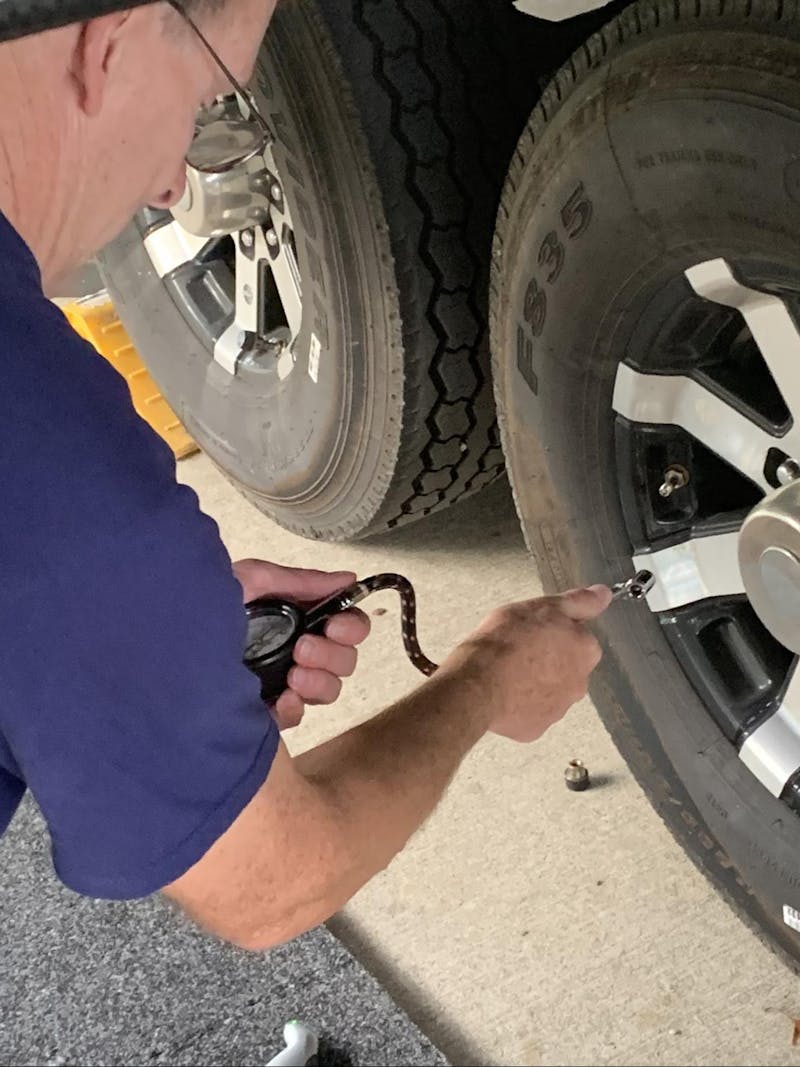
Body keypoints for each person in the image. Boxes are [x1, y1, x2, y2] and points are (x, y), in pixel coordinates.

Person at [0, 0, 611, 951]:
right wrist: (490, 680)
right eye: (210, 102)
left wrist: (129, 626)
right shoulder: (47, 462)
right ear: (106, 43)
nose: (175, 186)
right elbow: (272, 885)